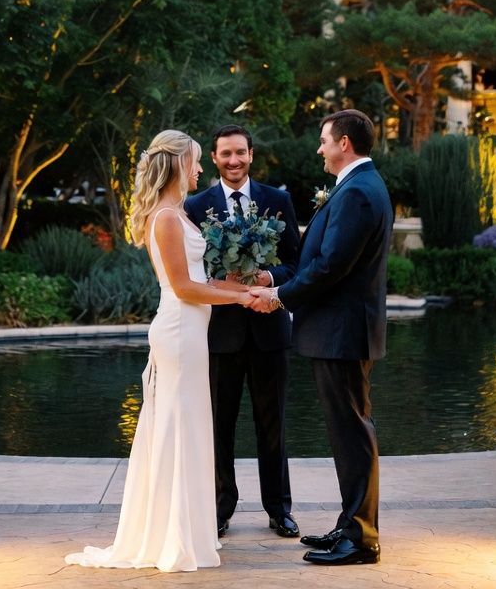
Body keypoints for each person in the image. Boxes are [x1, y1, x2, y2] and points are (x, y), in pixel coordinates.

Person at [65, 130, 254, 573]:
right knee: (177, 427)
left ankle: (184, 529)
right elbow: (185, 288)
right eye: (196, 160)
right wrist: (243, 300)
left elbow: (201, 280)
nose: (201, 168)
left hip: (191, 331)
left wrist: (246, 288)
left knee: (187, 426)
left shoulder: (177, 213)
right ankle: (172, 536)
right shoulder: (166, 218)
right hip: (179, 331)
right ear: (177, 164)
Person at [250, 109, 393, 567]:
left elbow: (331, 266)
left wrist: (278, 296)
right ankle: (350, 526)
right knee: (349, 432)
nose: (319, 148)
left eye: (324, 140)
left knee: (352, 434)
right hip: (341, 332)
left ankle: (361, 539)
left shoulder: (358, 193)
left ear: (344, 144)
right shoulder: (359, 186)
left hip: (342, 332)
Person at [184, 124, 302, 540]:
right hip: (220, 334)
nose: (233, 160)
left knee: (274, 425)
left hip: (270, 330)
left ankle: (279, 510)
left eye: (240, 152)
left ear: (251, 154)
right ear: (215, 158)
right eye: (225, 154)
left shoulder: (278, 201)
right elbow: (192, 271)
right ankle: (220, 508)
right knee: (219, 426)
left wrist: (268, 278)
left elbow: (296, 264)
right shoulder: (195, 206)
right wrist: (226, 284)